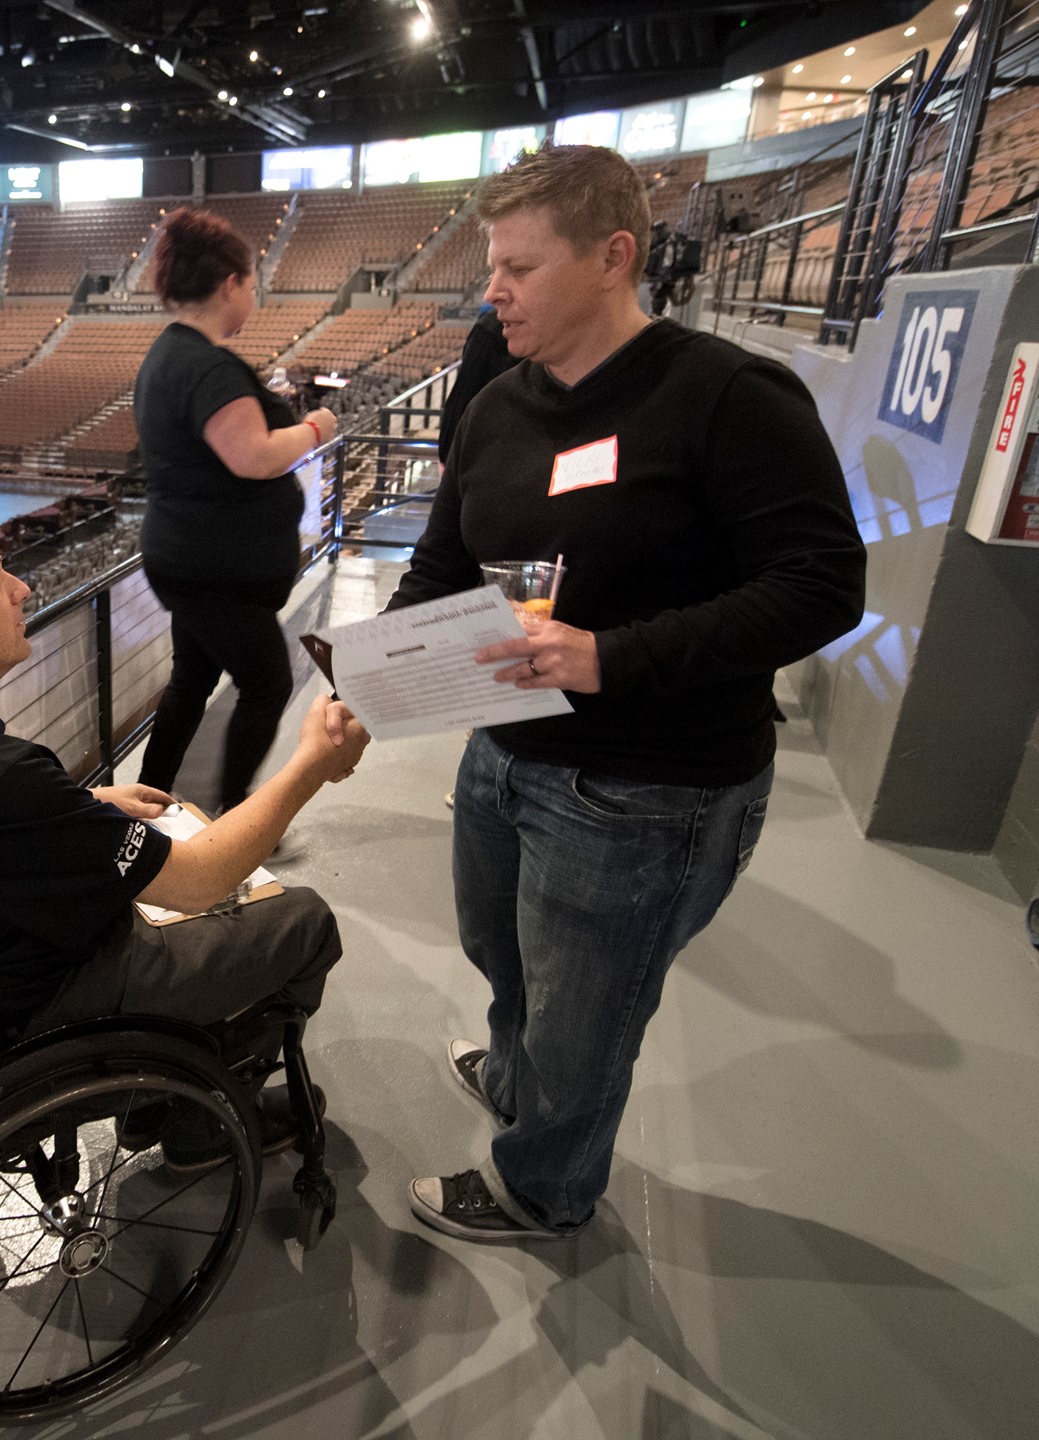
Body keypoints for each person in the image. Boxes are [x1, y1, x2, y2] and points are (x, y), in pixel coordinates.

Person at [372, 145, 865, 1242]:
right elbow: (444, 566)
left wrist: (612, 657)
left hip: (648, 787)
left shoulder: (728, 397)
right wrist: (383, 663)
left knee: (584, 1022)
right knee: (500, 955)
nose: (491, 289)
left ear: (613, 257)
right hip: (504, 755)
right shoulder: (499, 403)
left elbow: (822, 588)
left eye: (517, 267)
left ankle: (541, 1185)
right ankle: (515, 1074)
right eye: (490, 265)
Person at [0, 489, 371, 1168]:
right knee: (303, 921)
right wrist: (312, 762)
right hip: (25, 1013)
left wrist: (82, 804)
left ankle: (156, 1103)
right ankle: (200, 1118)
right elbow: (200, 881)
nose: (21, 587)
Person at [132, 207, 339, 817]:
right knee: (268, 682)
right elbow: (253, 456)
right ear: (229, 284)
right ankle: (238, 814)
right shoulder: (207, 364)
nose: (253, 295)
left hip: (188, 559)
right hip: (212, 570)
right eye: (252, 284)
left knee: (191, 681)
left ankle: (141, 803)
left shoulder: (171, 355)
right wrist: (313, 427)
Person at [435, 304, 514, 465]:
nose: (491, 294)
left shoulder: (490, 331)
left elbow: (463, 398)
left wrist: (447, 457)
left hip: (486, 462)